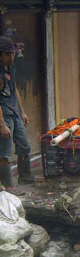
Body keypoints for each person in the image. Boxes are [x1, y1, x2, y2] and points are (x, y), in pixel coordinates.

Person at [0, 36, 34, 195]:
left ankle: (25, 176)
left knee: (24, 145)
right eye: (8, 54)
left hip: (14, 113)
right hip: (4, 116)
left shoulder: (10, 69)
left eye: (12, 53)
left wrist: (23, 111)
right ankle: (8, 186)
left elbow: (15, 90)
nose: (12, 57)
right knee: (4, 153)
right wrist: (2, 124)